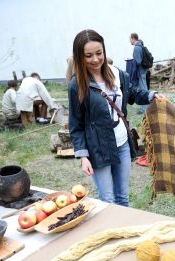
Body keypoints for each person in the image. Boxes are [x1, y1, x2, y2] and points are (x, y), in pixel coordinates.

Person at [68, 29, 163, 206]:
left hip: (122, 143)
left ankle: (123, 231)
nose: (95, 59)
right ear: (80, 56)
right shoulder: (77, 84)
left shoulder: (117, 74)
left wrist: (152, 95)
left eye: (99, 53)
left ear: (104, 50)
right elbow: (76, 124)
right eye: (88, 55)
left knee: (122, 197)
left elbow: (132, 92)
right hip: (98, 147)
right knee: (108, 200)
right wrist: (83, 156)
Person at [129, 33, 149, 114]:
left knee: (143, 87)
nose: (129, 41)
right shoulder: (141, 45)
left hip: (140, 71)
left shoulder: (137, 47)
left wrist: (131, 61)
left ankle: (144, 108)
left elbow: (138, 61)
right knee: (143, 86)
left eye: (130, 39)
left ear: (133, 38)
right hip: (143, 70)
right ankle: (144, 106)